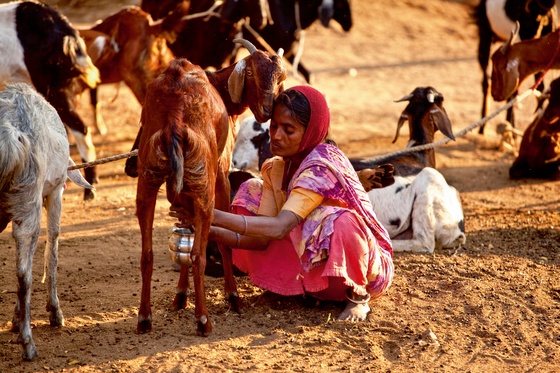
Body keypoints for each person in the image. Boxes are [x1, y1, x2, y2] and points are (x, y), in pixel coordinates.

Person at [174, 85, 394, 321]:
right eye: (275, 127)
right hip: (319, 274)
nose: (277, 136)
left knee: (343, 221)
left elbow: (280, 226)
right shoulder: (277, 167)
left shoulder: (322, 166)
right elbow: (259, 239)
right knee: (249, 192)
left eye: (289, 130)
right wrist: (206, 230)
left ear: (310, 132)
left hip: (365, 270)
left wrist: (210, 214)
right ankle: (289, 288)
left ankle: (357, 298)